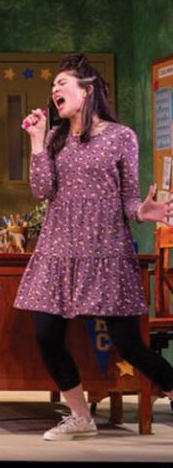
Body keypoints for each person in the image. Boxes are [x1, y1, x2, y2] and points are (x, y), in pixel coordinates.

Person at [15, 53, 173, 441]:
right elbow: (42, 191)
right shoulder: (53, 138)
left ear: (87, 91)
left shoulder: (122, 137)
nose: (54, 90)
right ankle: (80, 416)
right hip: (57, 251)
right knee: (46, 334)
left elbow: (128, 201)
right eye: (52, 86)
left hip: (106, 251)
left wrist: (144, 211)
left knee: (128, 343)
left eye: (62, 83)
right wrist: (36, 142)